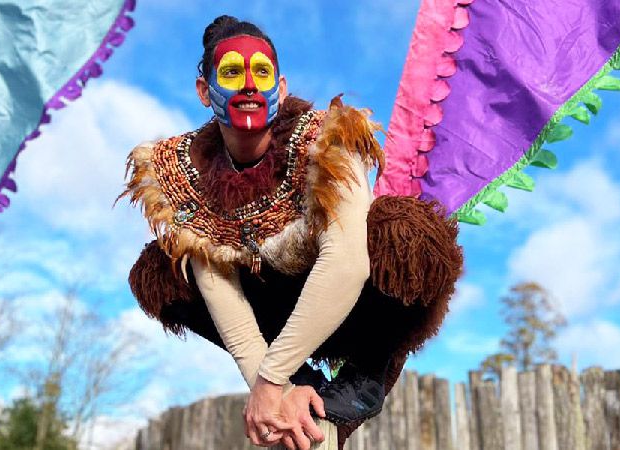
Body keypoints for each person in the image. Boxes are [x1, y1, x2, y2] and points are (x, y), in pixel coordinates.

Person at [123, 15, 463, 450]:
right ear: (204, 91)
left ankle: (365, 375)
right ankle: (302, 383)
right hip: (277, 312)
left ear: (280, 88)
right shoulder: (187, 175)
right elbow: (219, 289)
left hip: (357, 304)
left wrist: (269, 380)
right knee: (158, 268)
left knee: (409, 231)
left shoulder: (328, 139)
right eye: (231, 73)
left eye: (260, 73)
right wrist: (275, 390)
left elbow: (345, 263)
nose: (248, 86)